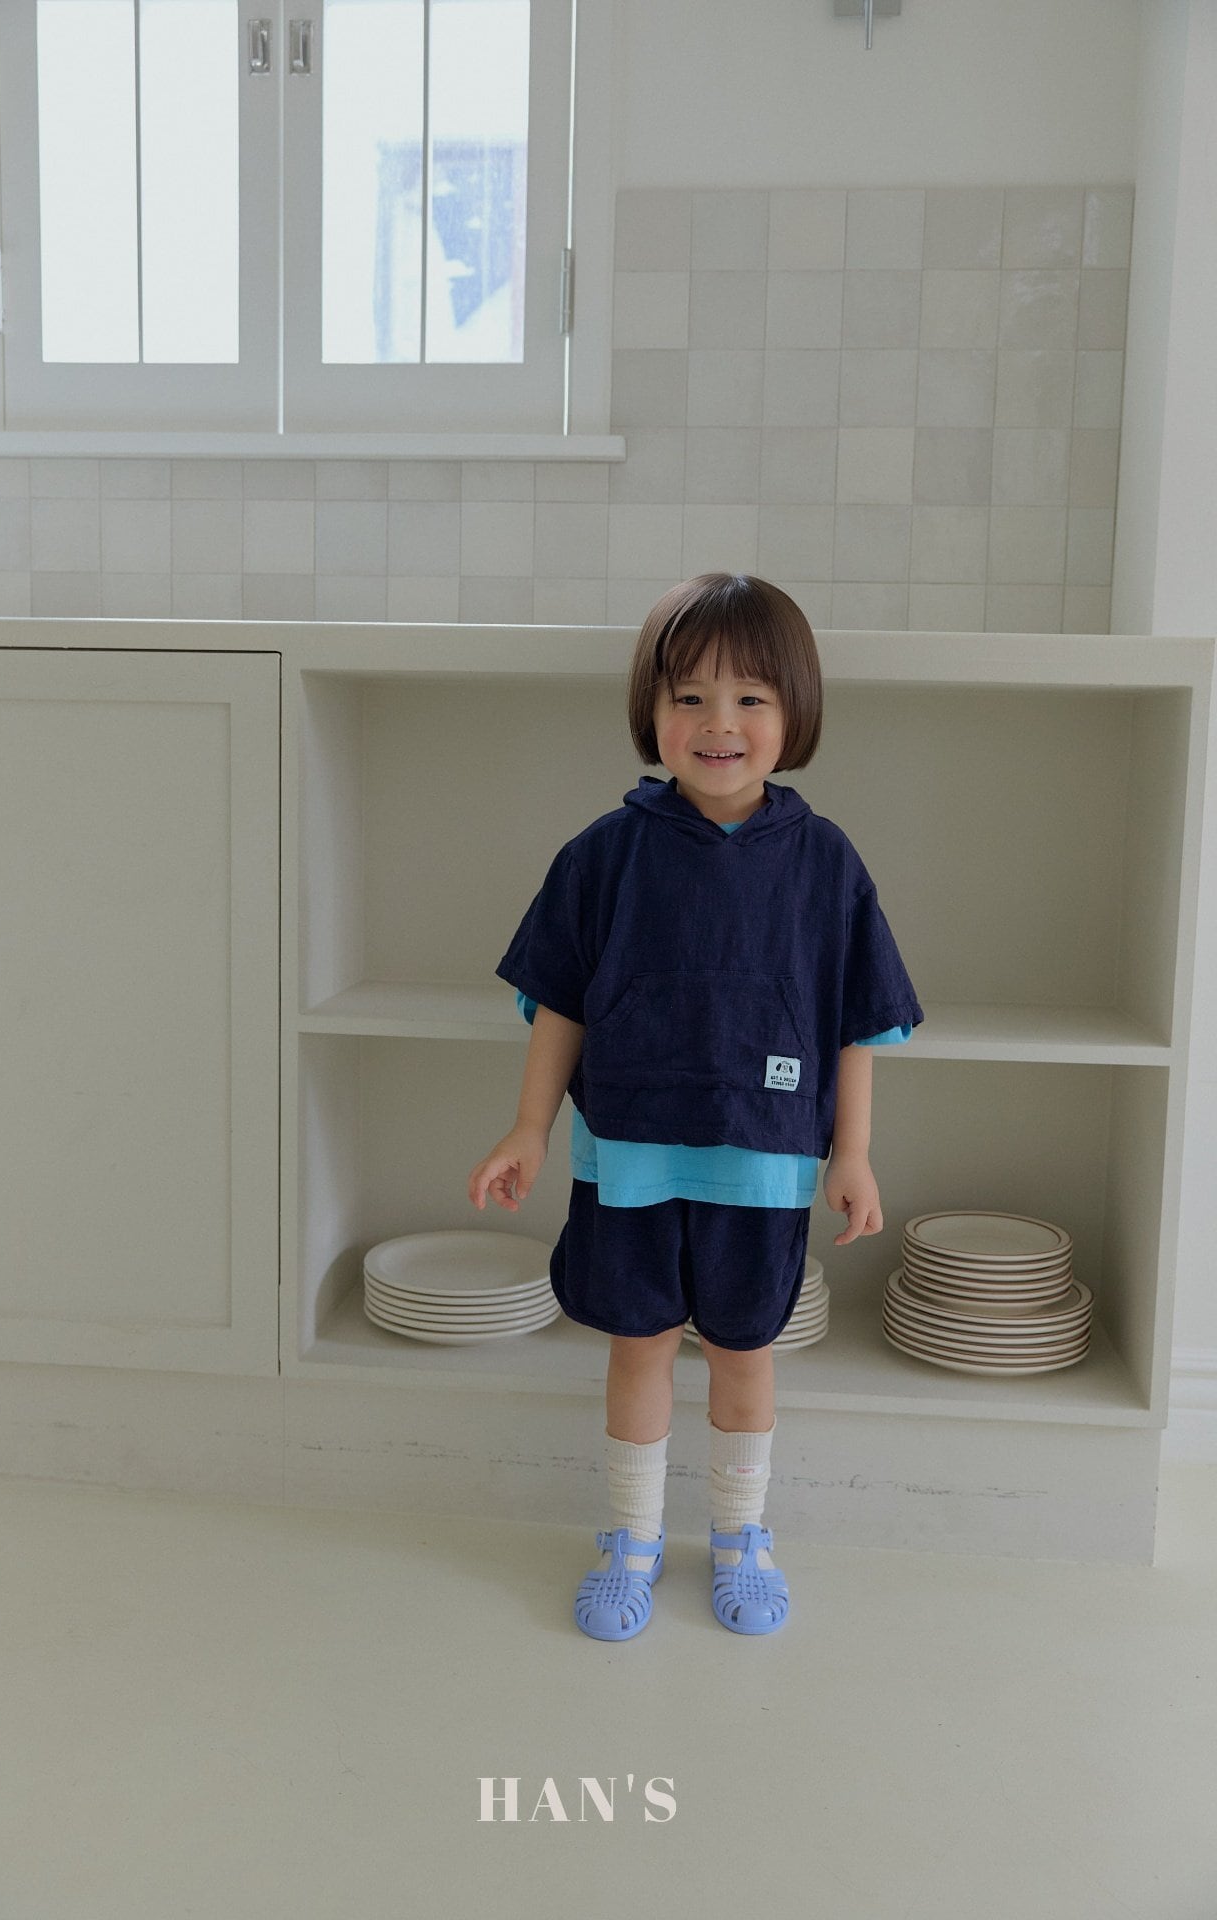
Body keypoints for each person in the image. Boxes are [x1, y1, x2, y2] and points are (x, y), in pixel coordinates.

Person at [466, 573, 923, 1641]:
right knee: (636, 1347)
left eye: (749, 698)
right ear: (652, 710)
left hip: (765, 1162)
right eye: (690, 697)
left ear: (793, 713)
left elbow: (855, 1023)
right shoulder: (602, 856)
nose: (719, 723)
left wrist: (851, 1153)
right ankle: (630, 1540)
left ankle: (738, 1537)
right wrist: (529, 1127)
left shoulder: (825, 864)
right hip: (626, 1158)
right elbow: (558, 1003)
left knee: (742, 1354)